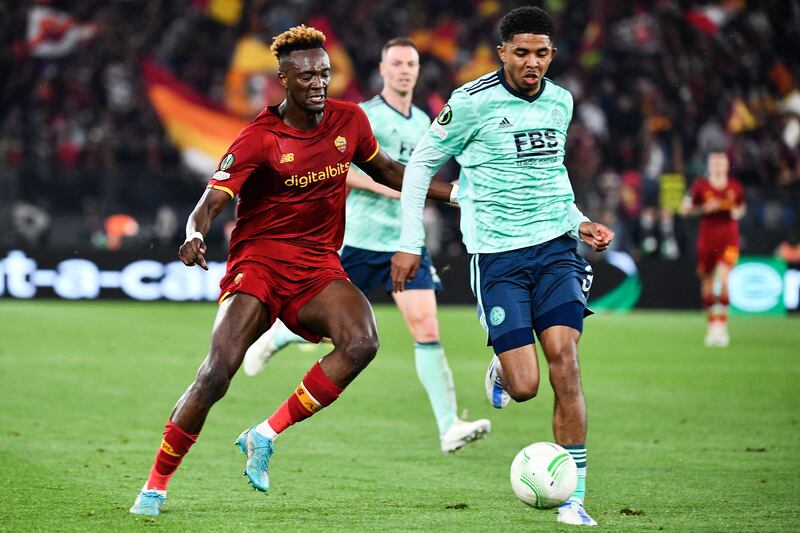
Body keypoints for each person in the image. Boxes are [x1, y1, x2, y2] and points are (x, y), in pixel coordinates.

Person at [129, 25, 454, 516]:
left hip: (317, 264)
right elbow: (211, 201)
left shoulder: (349, 121)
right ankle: (155, 485)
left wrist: (456, 194)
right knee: (217, 374)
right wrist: (195, 233)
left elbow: (387, 170)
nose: (319, 83)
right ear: (283, 79)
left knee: (363, 342)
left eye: (324, 73)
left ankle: (264, 434)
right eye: (306, 76)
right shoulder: (259, 138)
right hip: (258, 262)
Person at [390, 7, 614, 527]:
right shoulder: (470, 103)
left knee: (566, 360)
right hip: (499, 257)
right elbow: (421, 164)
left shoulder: (561, 102)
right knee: (525, 386)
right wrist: (409, 241)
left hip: (556, 249)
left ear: (552, 54)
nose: (532, 62)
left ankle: (575, 497)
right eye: (521, 53)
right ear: (503, 53)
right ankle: (502, 367)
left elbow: (552, 178)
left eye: (541, 53)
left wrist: (580, 222)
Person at [242, 37, 491, 454]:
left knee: (427, 329)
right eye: (396, 63)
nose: (404, 70)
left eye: (411, 63)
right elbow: (340, 169)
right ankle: (279, 338)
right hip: (355, 239)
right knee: (326, 328)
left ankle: (449, 427)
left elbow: (418, 169)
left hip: (404, 242)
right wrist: (394, 188)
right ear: (383, 68)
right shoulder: (362, 115)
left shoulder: (423, 119)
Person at [682, 150, 745, 347]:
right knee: (708, 283)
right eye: (714, 162)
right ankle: (712, 327)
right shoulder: (701, 186)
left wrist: (736, 212)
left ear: (727, 165)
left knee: (724, 279)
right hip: (707, 239)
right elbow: (685, 209)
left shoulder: (735, 187)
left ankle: (722, 326)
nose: (718, 166)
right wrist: (703, 209)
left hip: (728, 238)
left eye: (721, 162)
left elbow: (741, 208)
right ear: (710, 165)